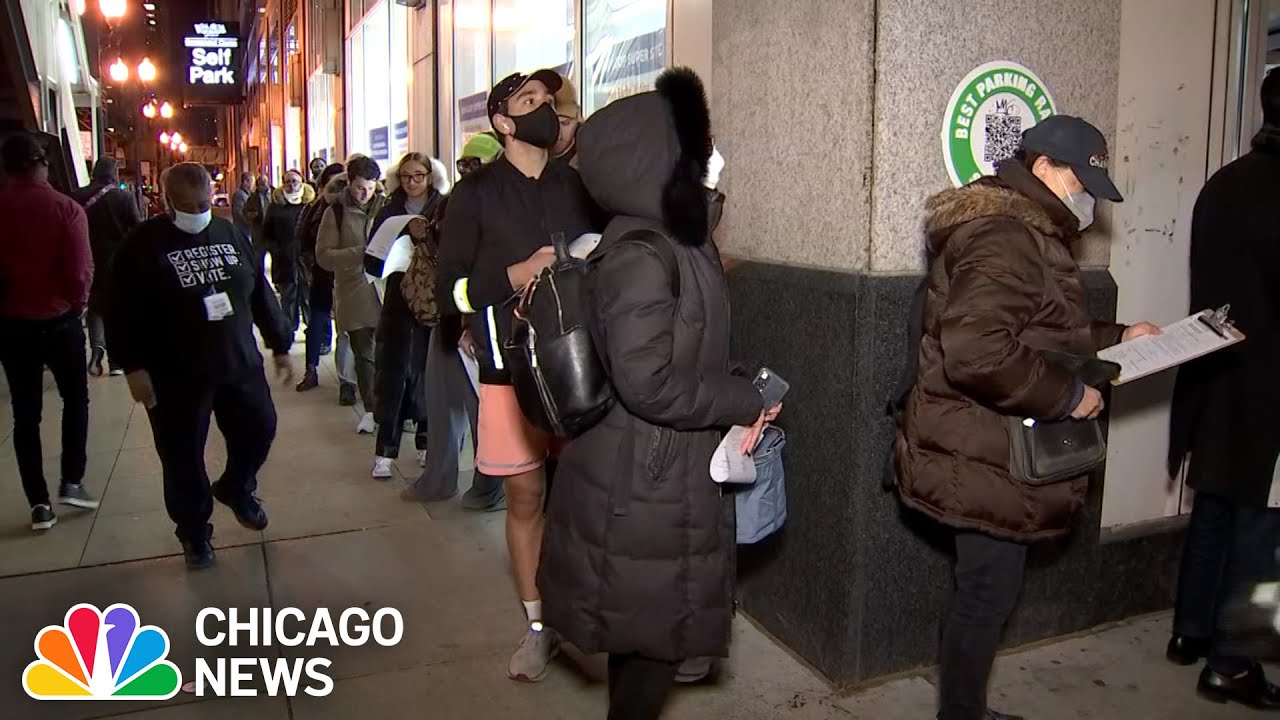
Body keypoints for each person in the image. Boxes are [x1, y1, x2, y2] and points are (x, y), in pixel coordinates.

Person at [892, 116, 1161, 720]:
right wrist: (1068, 397)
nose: (1088, 197)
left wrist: (1119, 335)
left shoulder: (1026, 232)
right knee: (985, 594)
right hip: (984, 450)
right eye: (1082, 180)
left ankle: (964, 710)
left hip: (986, 446)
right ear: (1043, 168)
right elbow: (978, 350)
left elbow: (1043, 331)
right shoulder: (1007, 236)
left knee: (981, 591)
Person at [537, 67, 776, 719]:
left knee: (643, 639)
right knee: (650, 648)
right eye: (697, 147)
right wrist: (739, 402)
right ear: (657, 161)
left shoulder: (672, 240)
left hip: (653, 470)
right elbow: (649, 382)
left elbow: (678, 348)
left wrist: (737, 380)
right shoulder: (646, 251)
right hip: (644, 479)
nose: (713, 158)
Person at [435, 68, 600, 682]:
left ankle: (583, 612)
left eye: (548, 100)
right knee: (526, 496)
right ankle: (537, 627)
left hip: (584, 365)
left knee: (585, 494)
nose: (545, 110)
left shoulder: (577, 185)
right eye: (529, 101)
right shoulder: (475, 196)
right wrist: (514, 273)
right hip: (511, 370)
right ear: (502, 122)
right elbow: (448, 292)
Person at [105, 162, 294, 569]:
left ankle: (237, 487)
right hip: (175, 374)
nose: (198, 211)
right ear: (167, 201)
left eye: (204, 202)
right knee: (182, 455)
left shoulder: (230, 233)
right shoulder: (142, 245)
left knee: (260, 427)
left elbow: (258, 291)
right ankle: (194, 532)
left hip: (237, 360)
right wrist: (132, 366)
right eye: (187, 205)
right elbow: (119, 311)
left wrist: (279, 343)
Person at [1167, 68, 1280, 709]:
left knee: (1212, 505)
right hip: (1270, 392)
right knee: (1262, 528)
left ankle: (1190, 631)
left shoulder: (1223, 183)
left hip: (1213, 376)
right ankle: (1233, 663)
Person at [0, 132, 99, 532]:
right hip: (60, 322)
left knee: (26, 416)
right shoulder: (66, 209)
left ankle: (39, 503)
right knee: (75, 399)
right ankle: (71, 479)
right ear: (43, 164)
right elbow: (80, 271)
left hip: (11, 325)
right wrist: (77, 305)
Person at [403, 133, 505, 510]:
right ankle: (438, 478)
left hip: (479, 322)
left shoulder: (503, 203)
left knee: (482, 409)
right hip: (448, 318)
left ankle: (488, 483)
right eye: (463, 165)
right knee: (440, 399)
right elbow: (446, 258)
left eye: (476, 165)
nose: (468, 172)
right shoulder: (453, 202)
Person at [366, 152, 447, 478]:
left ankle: (427, 443)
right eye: (406, 177)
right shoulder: (388, 209)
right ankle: (385, 450)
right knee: (393, 375)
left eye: (418, 176)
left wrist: (426, 236)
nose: (412, 183)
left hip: (432, 301)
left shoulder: (444, 205)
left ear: (430, 177)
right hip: (398, 301)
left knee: (429, 373)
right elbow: (371, 258)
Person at [317, 155, 385, 434]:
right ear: (349, 183)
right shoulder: (335, 212)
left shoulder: (385, 206)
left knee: (388, 354)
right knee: (363, 354)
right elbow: (324, 256)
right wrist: (362, 253)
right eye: (359, 188)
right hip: (354, 289)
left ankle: (390, 409)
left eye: (370, 188)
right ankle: (371, 409)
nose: (365, 194)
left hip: (384, 288)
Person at [71, 156, 141, 377]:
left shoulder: (78, 196)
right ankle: (117, 362)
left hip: (88, 256)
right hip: (118, 259)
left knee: (94, 307)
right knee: (117, 308)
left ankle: (97, 345)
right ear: (114, 174)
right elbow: (137, 227)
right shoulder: (124, 197)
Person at [296, 162, 357, 400]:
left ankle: (348, 381)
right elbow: (302, 239)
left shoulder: (351, 209)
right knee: (318, 321)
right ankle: (311, 369)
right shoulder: (316, 208)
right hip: (322, 274)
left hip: (346, 277)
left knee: (347, 330)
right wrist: (311, 266)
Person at [261, 169, 314, 333]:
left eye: (295, 181)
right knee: (288, 298)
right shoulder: (275, 207)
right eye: (288, 182)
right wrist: (277, 251)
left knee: (308, 298)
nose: (291, 185)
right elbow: (266, 234)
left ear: (302, 183)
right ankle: (288, 330)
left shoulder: (310, 205)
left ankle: (312, 331)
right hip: (284, 261)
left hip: (306, 262)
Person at [551, 75, 581, 167]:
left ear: (577, 117)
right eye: (549, 123)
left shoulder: (590, 155)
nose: (557, 134)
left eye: (564, 123)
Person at [244, 174, 273, 264]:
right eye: (259, 185)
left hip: (274, 230)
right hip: (259, 230)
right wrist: (252, 215)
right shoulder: (253, 198)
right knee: (258, 257)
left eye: (264, 184)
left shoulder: (276, 194)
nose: (262, 187)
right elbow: (245, 212)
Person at [231, 172, 253, 241]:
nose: (253, 184)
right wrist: (249, 222)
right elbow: (238, 212)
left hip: (247, 230)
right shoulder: (239, 195)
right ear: (245, 182)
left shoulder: (248, 194)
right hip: (242, 229)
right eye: (252, 181)